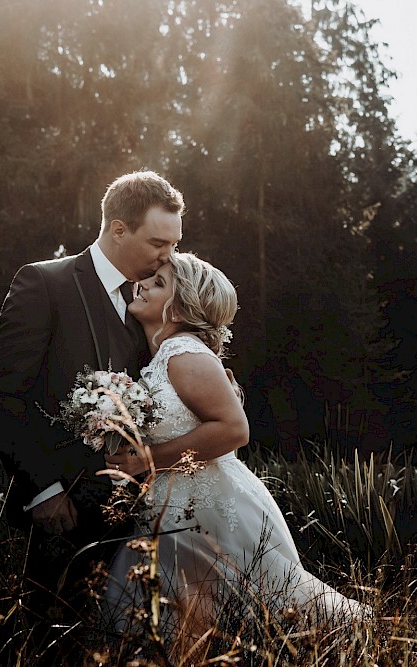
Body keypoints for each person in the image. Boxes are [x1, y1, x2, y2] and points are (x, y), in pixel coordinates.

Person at [101, 252, 368, 652]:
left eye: (158, 283)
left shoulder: (183, 354)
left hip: (209, 505)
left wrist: (145, 461)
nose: (142, 285)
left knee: (259, 613)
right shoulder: (167, 355)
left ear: (183, 306)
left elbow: (233, 429)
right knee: (192, 623)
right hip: (176, 503)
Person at [0, 171, 185, 619]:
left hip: (146, 515)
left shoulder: (160, 298)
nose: (168, 256)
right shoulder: (45, 285)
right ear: (118, 229)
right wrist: (43, 491)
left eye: (173, 243)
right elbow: (4, 398)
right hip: (64, 512)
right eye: (157, 243)